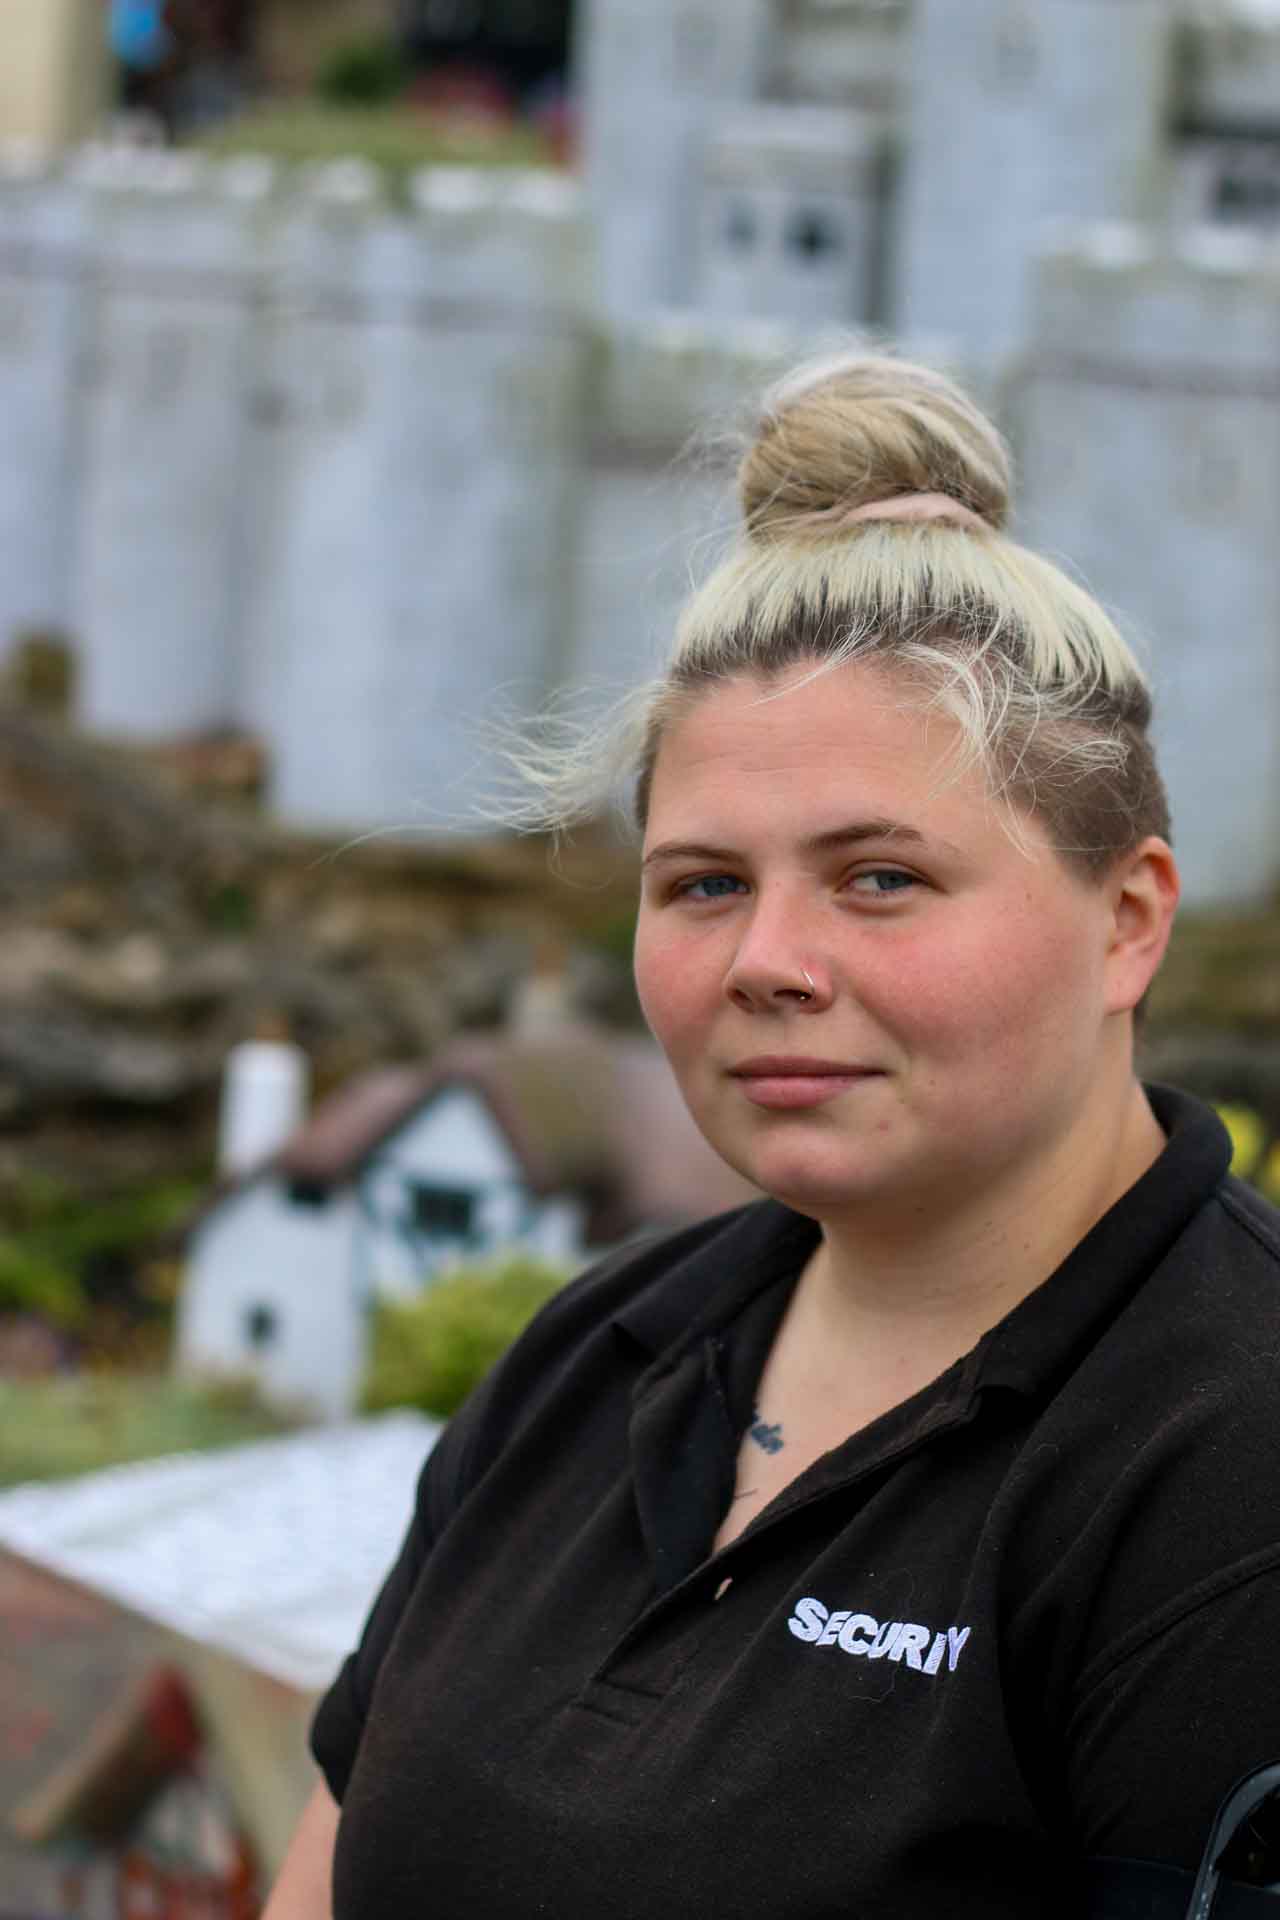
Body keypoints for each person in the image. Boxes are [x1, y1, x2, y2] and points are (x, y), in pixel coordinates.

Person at [263, 354, 1280, 1919]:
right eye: (704, 885)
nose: (767, 962)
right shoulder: (596, 1352)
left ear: (1129, 920)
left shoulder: (1226, 1467)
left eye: (880, 878)